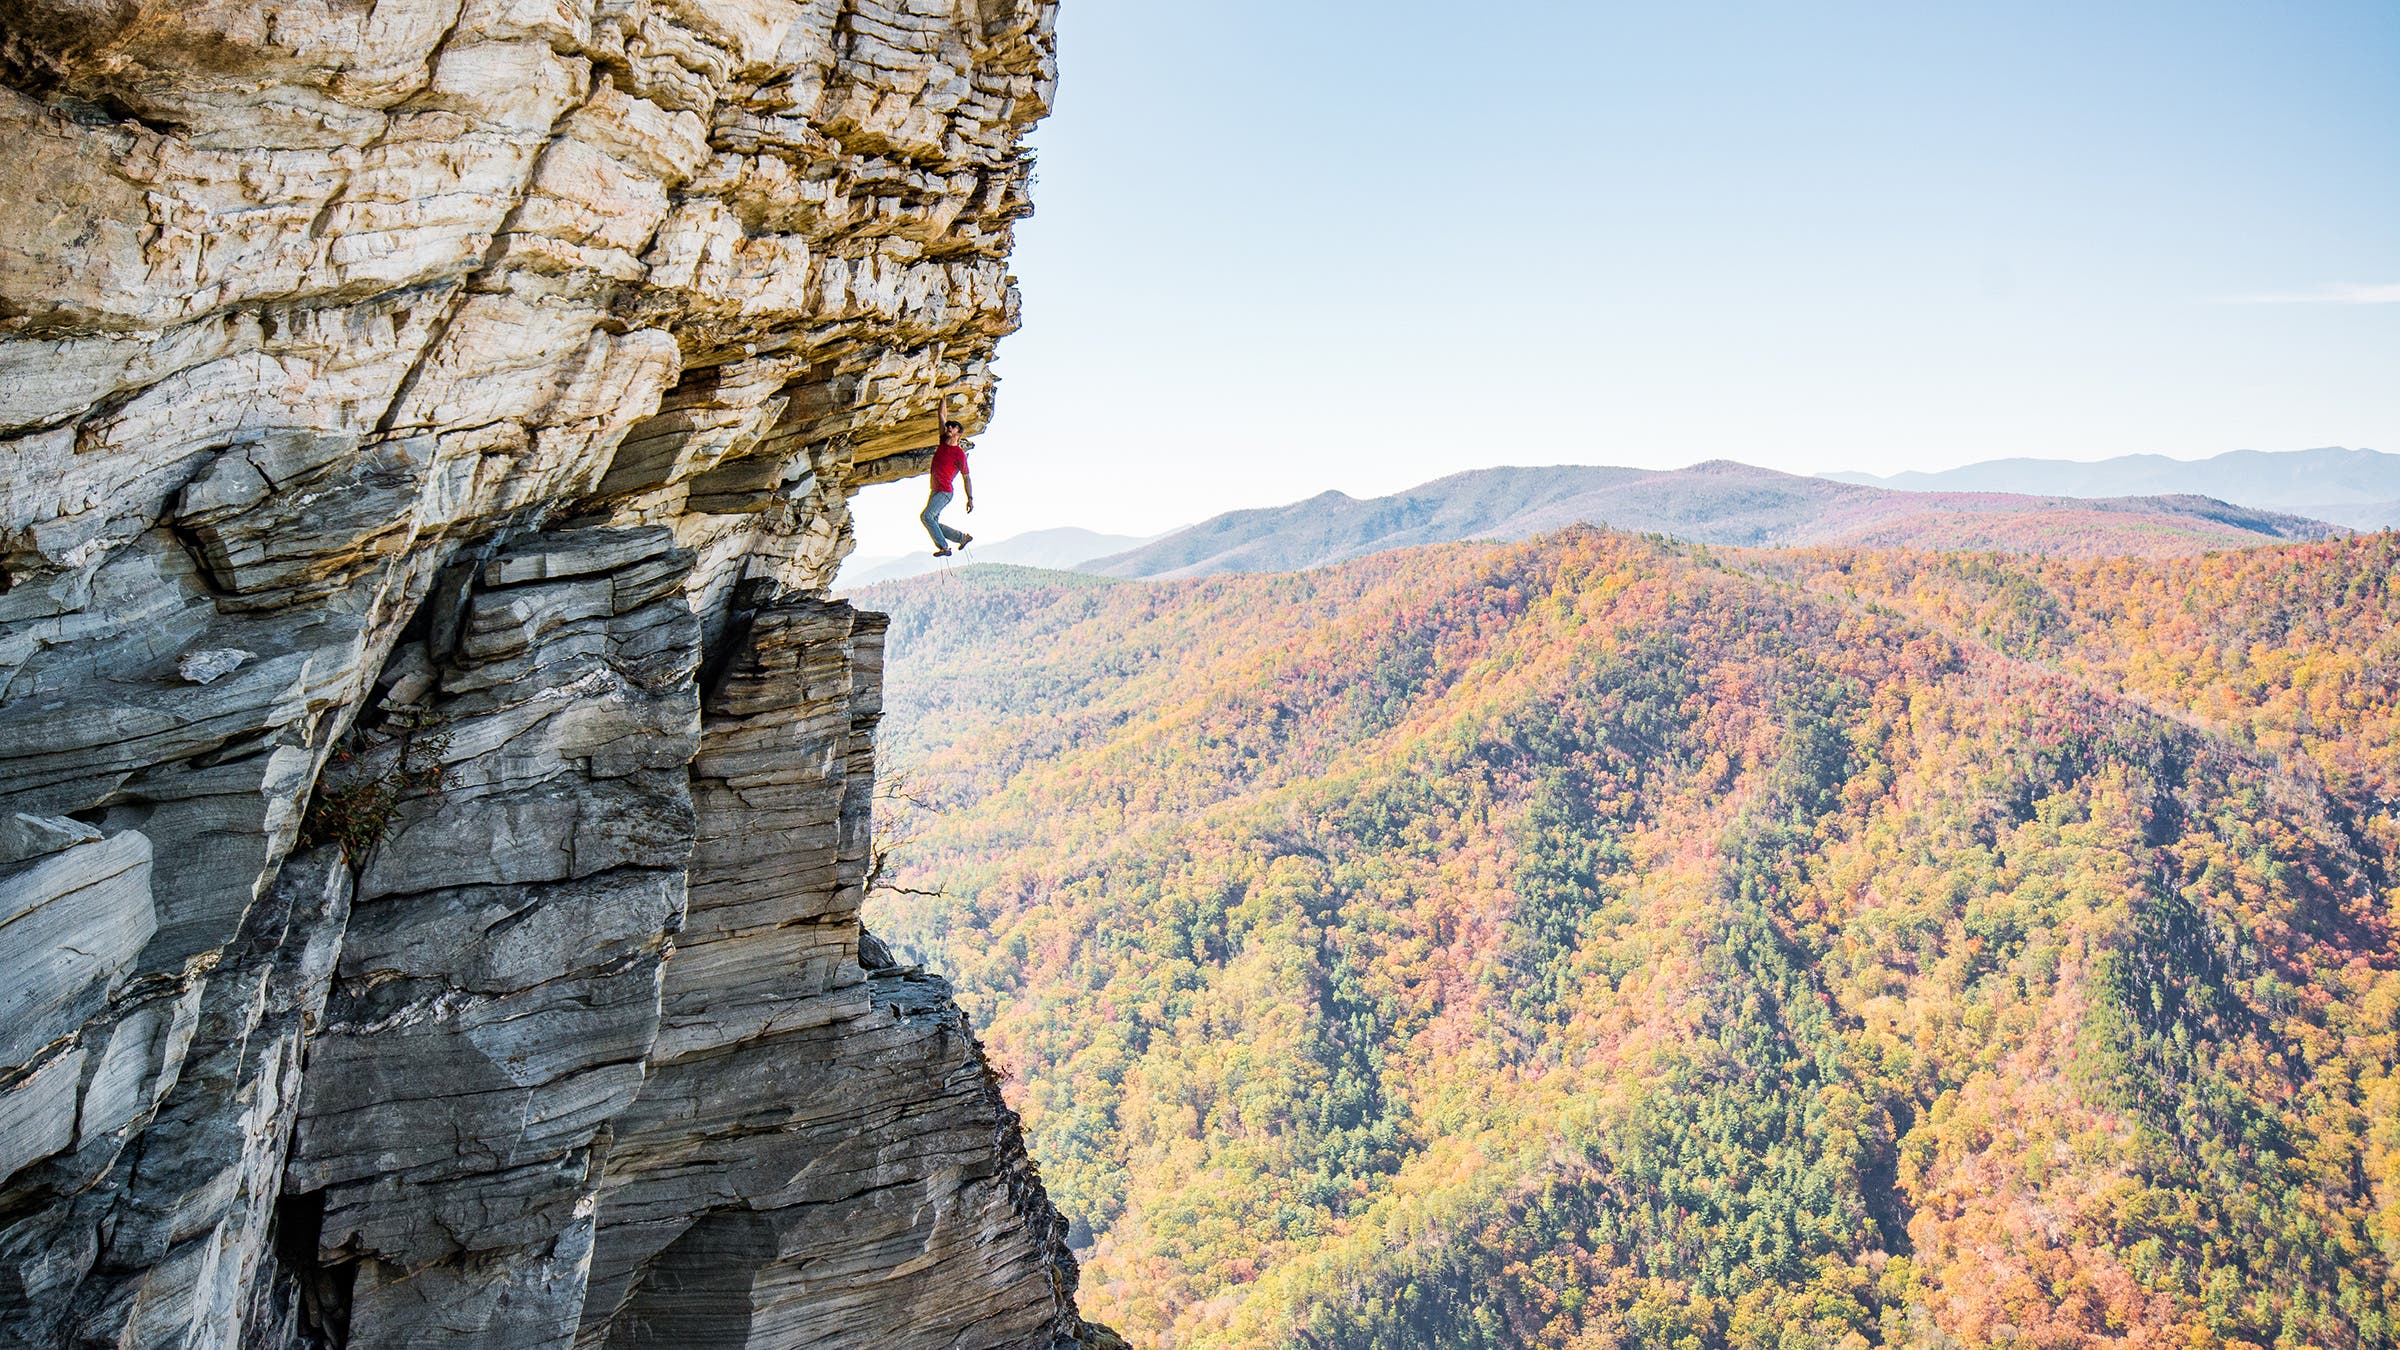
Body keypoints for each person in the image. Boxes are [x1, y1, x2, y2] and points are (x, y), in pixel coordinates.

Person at [921, 419, 974, 556]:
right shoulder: (943, 442)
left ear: (959, 433)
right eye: (949, 425)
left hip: (945, 492)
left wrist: (970, 498)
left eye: (953, 426)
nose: (949, 427)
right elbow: (941, 417)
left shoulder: (959, 454)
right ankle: (962, 538)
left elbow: (966, 477)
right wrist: (942, 399)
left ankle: (944, 548)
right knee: (933, 522)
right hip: (935, 489)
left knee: (926, 517)